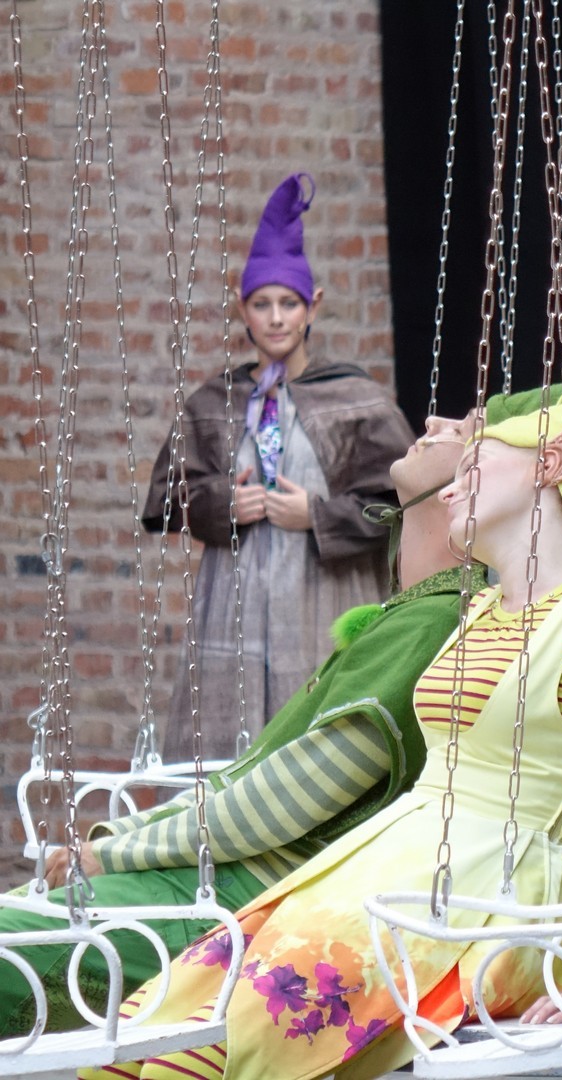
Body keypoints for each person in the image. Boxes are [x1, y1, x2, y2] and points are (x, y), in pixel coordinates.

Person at [84, 362, 562, 1080]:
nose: (449, 487)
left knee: (203, 1061)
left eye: (474, 463)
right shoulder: (481, 610)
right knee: (133, 1040)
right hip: (385, 866)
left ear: (554, 460)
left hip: (492, 899)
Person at [0, 401, 471, 1039]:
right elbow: (248, 781)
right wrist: (119, 840)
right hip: (216, 873)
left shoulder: (432, 625)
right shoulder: (409, 617)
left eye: (463, 432)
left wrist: (115, 852)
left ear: (475, 481)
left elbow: (287, 801)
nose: (434, 423)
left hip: (250, 906)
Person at [142, 173, 415, 760]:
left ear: (313, 305)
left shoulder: (357, 401)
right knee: (231, 756)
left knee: (322, 756)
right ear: (242, 308)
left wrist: (317, 515)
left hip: (325, 599)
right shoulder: (214, 402)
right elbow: (165, 496)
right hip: (234, 608)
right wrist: (221, 503)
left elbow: (404, 503)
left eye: (288, 303)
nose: (275, 318)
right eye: (261, 304)